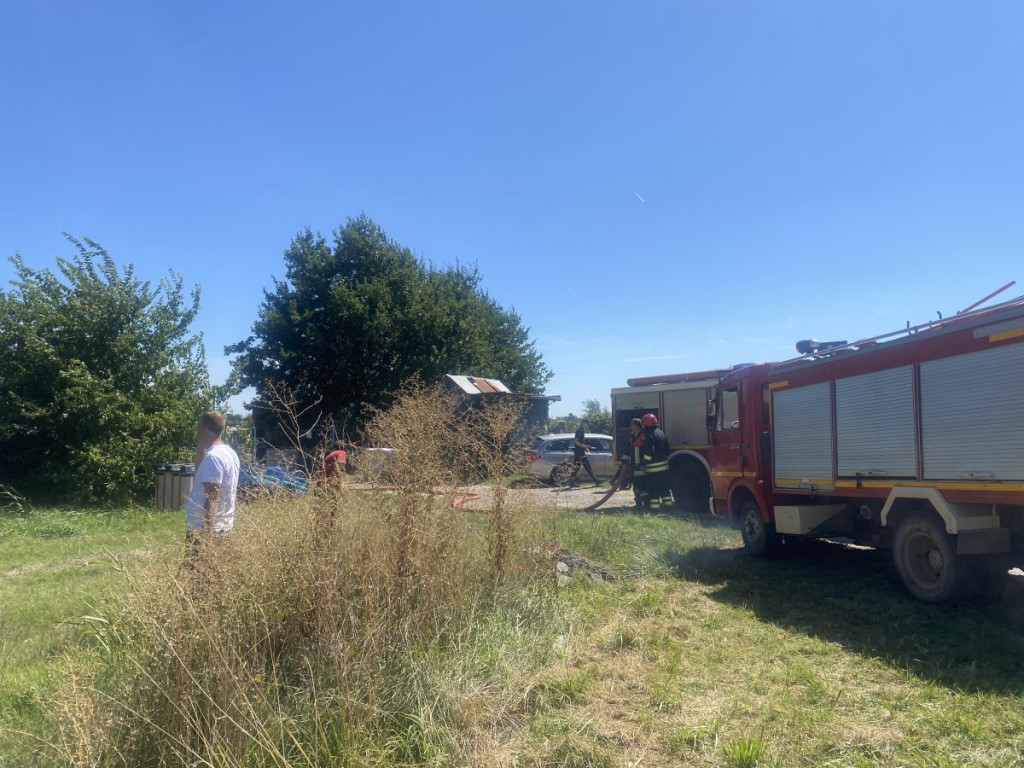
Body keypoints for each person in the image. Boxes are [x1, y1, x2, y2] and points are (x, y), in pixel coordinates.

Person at [185, 410, 241, 553]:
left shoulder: (213, 457)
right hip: (222, 527)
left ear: (203, 428)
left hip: (207, 531)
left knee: (196, 567)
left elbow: (212, 498)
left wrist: (205, 538)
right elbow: (199, 468)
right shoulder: (229, 453)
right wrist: (202, 444)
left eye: (199, 426)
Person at [640, 413, 672, 510]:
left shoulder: (649, 434)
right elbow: (667, 449)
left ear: (646, 424)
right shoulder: (661, 432)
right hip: (665, 467)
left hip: (653, 469)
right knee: (665, 488)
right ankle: (668, 507)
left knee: (653, 489)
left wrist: (644, 463)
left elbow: (649, 451)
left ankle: (655, 508)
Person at [619, 417, 648, 507]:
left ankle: (646, 504)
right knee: (636, 486)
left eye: (632, 425)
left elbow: (647, 451)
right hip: (634, 466)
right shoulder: (632, 437)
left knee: (643, 486)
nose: (631, 426)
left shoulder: (643, 436)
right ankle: (638, 503)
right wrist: (624, 459)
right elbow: (627, 450)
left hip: (641, 466)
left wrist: (644, 463)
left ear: (637, 426)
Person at [572, 418, 601, 486]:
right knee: (585, 466)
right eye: (587, 423)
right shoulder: (580, 431)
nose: (587, 425)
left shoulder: (582, 430)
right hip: (579, 452)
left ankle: (572, 482)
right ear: (583, 423)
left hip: (580, 451)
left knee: (578, 467)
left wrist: (585, 447)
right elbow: (576, 441)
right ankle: (596, 480)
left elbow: (580, 442)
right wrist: (584, 446)